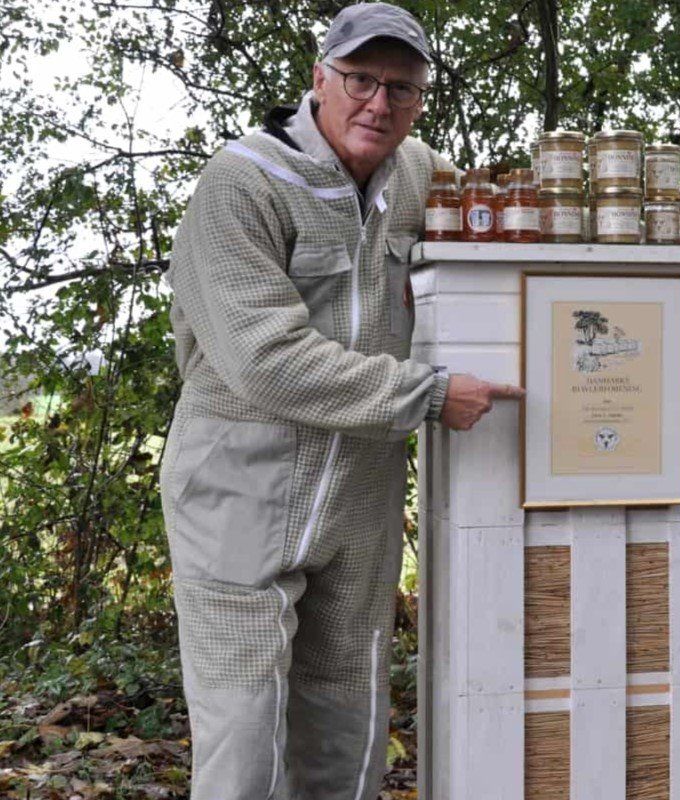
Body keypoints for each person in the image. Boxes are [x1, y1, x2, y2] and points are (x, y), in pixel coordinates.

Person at [161, 4, 523, 798]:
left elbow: (493, 249)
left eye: (402, 87)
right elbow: (265, 360)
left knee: (347, 739)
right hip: (239, 494)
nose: (379, 103)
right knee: (244, 744)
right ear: (320, 79)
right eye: (361, 79)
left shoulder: (421, 176)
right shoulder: (243, 182)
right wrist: (427, 393)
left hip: (359, 499)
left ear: (419, 100)